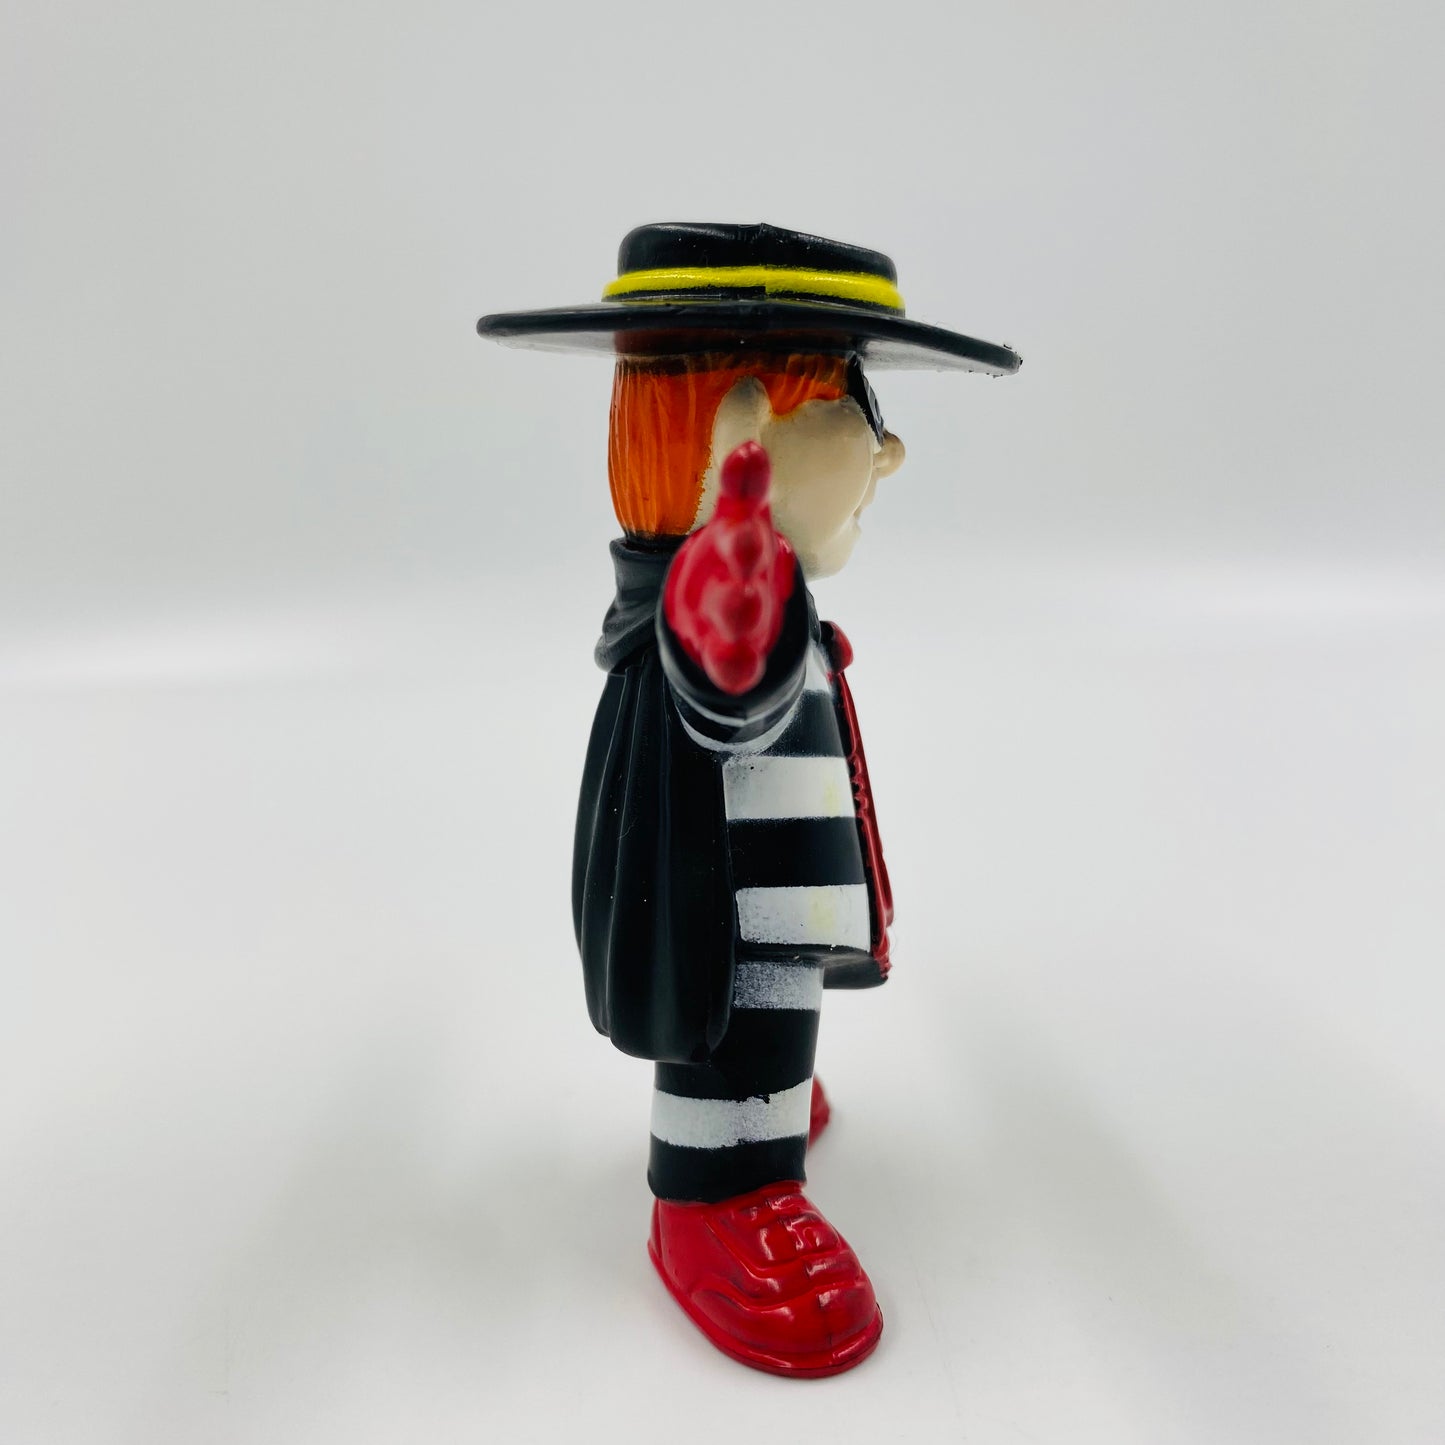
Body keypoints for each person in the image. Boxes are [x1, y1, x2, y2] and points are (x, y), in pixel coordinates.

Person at [477, 222, 1019, 1376]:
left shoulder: (758, 594)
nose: (888, 450)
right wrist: (730, 609)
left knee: (772, 1008)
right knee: (738, 1020)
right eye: (853, 408)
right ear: (743, 434)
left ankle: (763, 1091)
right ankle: (717, 1190)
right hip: (724, 915)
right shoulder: (718, 607)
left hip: (766, 900)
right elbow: (724, 688)